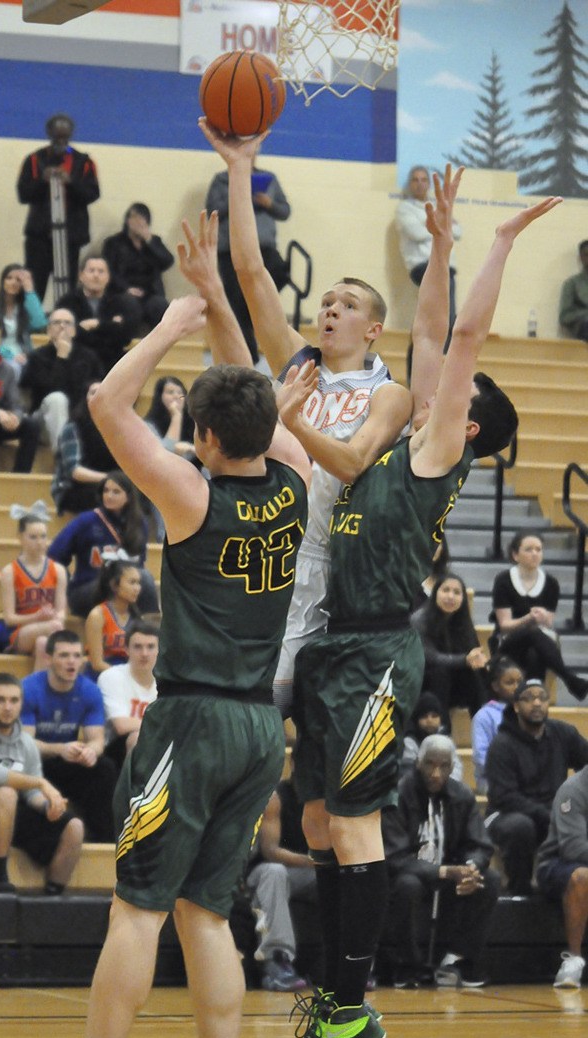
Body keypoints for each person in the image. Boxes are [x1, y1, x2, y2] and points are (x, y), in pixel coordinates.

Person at [35, 212, 314, 1038]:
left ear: (199, 434)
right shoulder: (297, 479)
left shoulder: (190, 493)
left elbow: (108, 399)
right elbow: (261, 407)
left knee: (138, 909)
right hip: (256, 727)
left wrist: (176, 317)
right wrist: (222, 316)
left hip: (190, 717)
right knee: (204, 913)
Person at [273, 171, 556, 1038]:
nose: (436, 379)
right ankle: (335, 993)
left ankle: (350, 1010)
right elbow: (428, 334)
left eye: (456, 388)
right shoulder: (400, 439)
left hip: (374, 653)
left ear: (468, 422)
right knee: (314, 816)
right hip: (328, 646)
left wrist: (498, 241)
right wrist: (435, 246)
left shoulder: (438, 453)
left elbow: (459, 336)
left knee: (352, 827)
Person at [201, 120, 413, 716]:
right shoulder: (298, 364)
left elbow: (349, 464)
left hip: (325, 559)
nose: (330, 311)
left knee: (268, 709)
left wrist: (289, 424)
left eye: (346, 306)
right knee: (231, 701)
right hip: (262, 539)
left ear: (373, 328)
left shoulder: (388, 392)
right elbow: (251, 275)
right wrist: (240, 169)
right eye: (325, 303)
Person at [384, 736, 499, 989]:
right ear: (417, 763)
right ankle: (408, 965)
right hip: (409, 873)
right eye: (429, 764)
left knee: (488, 880)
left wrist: (470, 867)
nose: (436, 774)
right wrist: (443, 871)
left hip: (450, 872)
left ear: (452, 766)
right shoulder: (398, 794)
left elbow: (480, 845)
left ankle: (459, 960)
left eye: (443, 766)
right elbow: (394, 856)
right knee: (407, 885)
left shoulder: (462, 795)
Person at [485, 677, 588, 895]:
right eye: (529, 698)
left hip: (551, 812)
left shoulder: (562, 733)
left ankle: (569, 890)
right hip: (505, 813)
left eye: (542, 698)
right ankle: (519, 891)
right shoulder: (502, 744)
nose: (537, 703)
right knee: (521, 827)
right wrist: (549, 814)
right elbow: (504, 796)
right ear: (516, 705)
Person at [21, 630, 118, 843]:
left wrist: (91, 751)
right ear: (48, 658)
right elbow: (24, 744)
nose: (71, 662)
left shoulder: (89, 691)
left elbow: (97, 738)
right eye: (64, 655)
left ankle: (104, 844)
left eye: (76, 655)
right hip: (37, 764)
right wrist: (60, 749)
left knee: (105, 768)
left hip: (68, 762)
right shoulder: (28, 688)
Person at [0, 671, 80, 895]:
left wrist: (48, 805)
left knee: (74, 826)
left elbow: (31, 795)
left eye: (14, 700)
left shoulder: (26, 743)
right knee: (6, 793)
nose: (7, 707)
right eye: (0, 700)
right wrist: (40, 783)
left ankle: (52, 895)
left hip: (9, 814)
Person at [206, 160, 291, 363]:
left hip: (264, 248)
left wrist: (268, 203)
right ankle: (248, 357)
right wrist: (239, 197)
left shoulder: (268, 178)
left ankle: (255, 312)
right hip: (230, 250)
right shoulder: (221, 180)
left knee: (280, 273)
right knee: (236, 300)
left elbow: (285, 210)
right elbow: (212, 211)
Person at [489, 530, 588, 701]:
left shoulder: (551, 583)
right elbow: (504, 624)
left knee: (534, 654)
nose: (535, 554)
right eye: (528, 549)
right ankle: (568, 677)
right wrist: (528, 618)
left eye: (538, 549)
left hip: (540, 643)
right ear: (515, 554)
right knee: (532, 632)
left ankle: (532, 701)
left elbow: (549, 623)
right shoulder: (503, 580)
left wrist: (542, 617)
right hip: (508, 641)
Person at [48, 469, 159, 616]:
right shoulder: (86, 521)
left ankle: (151, 630)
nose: (109, 496)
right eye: (106, 491)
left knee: (144, 578)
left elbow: (139, 564)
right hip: (87, 589)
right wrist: (65, 585)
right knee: (118, 583)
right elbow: (54, 556)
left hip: (124, 587)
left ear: (129, 497)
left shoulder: (139, 524)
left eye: (116, 492)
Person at [245, 760, 315, 992]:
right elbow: (270, 851)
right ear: (294, 764)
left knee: (346, 875)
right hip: (265, 871)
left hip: (308, 872)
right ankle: (276, 962)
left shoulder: (328, 799)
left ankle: (350, 962)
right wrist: (315, 861)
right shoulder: (276, 797)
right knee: (275, 873)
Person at [16, 113, 100, 302]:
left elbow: (92, 194)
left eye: (64, 137)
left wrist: (71, 181)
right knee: (33, 286)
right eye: (56, 136)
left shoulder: (84, 162)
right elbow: (23, 194)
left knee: (67, 287)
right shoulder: (34, 160)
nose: (60, 141)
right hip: (39, 238)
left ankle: (65, 322)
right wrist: (41, 181)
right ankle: (30, 325)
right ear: (49, 133)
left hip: (70, 237)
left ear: (71, 135)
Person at [395, 165, 462, 381]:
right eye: (415, 179)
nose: (420, 183)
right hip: (422, 266)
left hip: (445, 267)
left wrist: (435, 225)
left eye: (424, 179)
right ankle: (415, 377)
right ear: (409, 183)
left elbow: (458, 231)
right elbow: (415, 233)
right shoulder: (404, 208)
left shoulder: (436, 205)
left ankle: (440, 376)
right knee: (431, 323)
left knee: (447, 320)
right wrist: (440, 225)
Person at [411, 572, 488, 730]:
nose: (450, 596)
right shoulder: (420, 619)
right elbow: (428, 657)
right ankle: (443, 731)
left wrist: (479, 662)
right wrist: (464, 660)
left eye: (456, 592)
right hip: (424, 683)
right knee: (440, 672)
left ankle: (485, 727)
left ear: (463, 598)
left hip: (454, 682)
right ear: (436, 593)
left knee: (476, 674)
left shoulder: (464, 621)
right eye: (445, 590)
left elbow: (473, 653)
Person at [20, 307, 103, 451]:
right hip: (43, 423)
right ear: (48, 330)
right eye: (57, 322)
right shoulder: (37, 357)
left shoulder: (89, 357)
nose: (62, 326)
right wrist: (61, 357)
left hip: (79, 421)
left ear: (75, 330)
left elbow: (98, 388)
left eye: (67, 323)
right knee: (57, 399)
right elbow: (49, 390)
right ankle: (64, 458)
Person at [536, 766, 588, 988]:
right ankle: (573, 960)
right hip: (558, 863)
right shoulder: (574, 789)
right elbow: (573, 848)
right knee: (582, 877)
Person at [0, 512, 67, 671]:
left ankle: (34, 693)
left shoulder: (58, 570)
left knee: (43, 643)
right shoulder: (10, 571)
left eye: (43, 536)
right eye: (33, 537)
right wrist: (36, 617)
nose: (40, 542)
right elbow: (9, 619)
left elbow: (61, 612)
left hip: (50, 627)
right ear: (20, 537)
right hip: (22, 632)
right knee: (55, 628)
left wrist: (53, 616)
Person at [56, 256, 138, 374]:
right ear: (81, 275)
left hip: (111, 362)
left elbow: (125, 337)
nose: (96, 275)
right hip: (76, 361)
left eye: (101, 271)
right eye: (91, 270)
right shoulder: (67, 302)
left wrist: (96, 324)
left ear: (108, 277)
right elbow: (63, 333)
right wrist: (110, 325)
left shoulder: (121, 302)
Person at [102, 203, 174, 333]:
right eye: (134, 218)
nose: (138, 222)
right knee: (130, 306)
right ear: (127, 220)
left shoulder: (153, 241)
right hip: (122, 292)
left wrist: (149, 240)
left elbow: (168, 261)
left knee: (160, 305)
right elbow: (108, 271)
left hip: (150, 293)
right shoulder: (113, 243)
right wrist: (126, 288)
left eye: (142, 218)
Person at [98, 620, 159, 769]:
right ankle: (132, 792)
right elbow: (122, 726)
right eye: (138, 647)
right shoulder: (111, 676)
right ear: (126, 649)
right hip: (116, 749)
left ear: (159, 650)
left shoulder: (167, 682)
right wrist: (164, 726)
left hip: (158, 739)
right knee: (138, 737)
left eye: (150, 647)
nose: (144, 653)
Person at [51, 382, 117, 515]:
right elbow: (74, 471)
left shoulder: (116, 427)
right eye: (93, 392)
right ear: (85, 398)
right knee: (102, 495)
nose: (98, 396)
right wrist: (111, 478)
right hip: (72, 488)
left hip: (107, 483)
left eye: (103, 393)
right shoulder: (72, 428)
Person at [143, 376, 196, 542]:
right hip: (161, 481)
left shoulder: (196, 423)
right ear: (159, 397)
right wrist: (176, 417)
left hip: (192, 479)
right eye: (170, 392)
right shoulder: (148, 425)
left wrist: (191, 449)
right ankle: (165, 537)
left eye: (180, 393)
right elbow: (163, 457)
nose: (176, 396)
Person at [0, 314, 41, 472]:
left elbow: (15, 403)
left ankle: (20, 476)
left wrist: (16, 417)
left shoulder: (7, 370)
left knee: (32, 425)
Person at [471, 655, 523, 794]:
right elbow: (480, 756)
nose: (517, 687)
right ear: (495, 686)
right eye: (509, 682)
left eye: (520, 681)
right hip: (493, 780)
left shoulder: (528, 712)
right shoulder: (484, 715)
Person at [84, 560, 141, 680]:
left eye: (138, 583)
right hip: (100, 676)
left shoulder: (137, 617)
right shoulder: (97, 616)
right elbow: (97, 664)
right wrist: (125, 678)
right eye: (132, 582)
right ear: (114, 585)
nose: (137, 588)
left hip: (128, 673)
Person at [0, 264, 47, 378]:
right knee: (11, 368)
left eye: (18, 280)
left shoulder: (24, 307)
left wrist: (29, 291)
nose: (13, 282)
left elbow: (40, 323)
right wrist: (9, 356)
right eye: (9, 278)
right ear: (2, 281)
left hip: (22, 355)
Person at [400, 691, 463, 782]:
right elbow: (408, 771)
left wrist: (447, 784)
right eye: (425, 716)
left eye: (434, 716)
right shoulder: (410, 741)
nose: (429, 720)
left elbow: (456, 766)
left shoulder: (447, 739)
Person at [559, 239, 588, 341]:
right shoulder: (572, 284)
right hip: (583, 327)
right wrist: (585, 314)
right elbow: (564, 316)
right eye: (586, 255)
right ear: (580, 257)